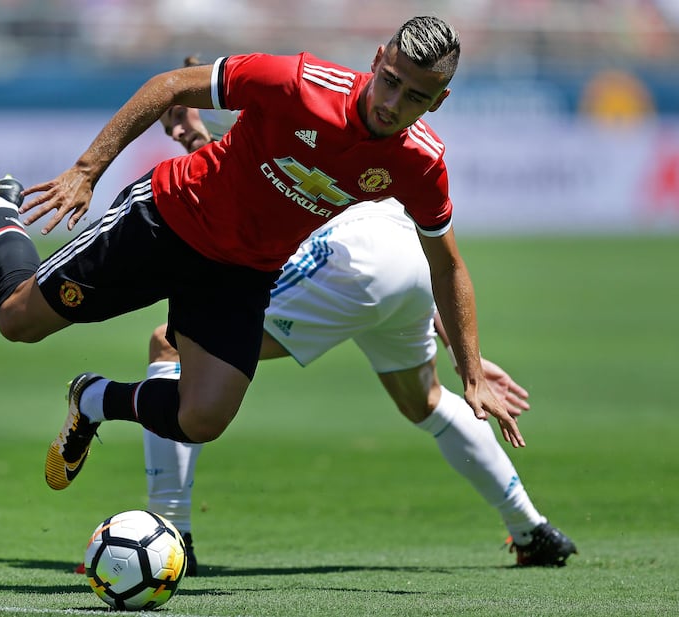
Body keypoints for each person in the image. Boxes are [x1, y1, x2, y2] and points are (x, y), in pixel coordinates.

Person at [0, 17, 525, 513]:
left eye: (415, 97)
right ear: (377, 59)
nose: (393, 103)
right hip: (165, 221)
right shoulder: (297, 81)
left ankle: (92, 399)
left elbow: (445, 267)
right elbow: (169, 86)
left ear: (438, 101)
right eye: (390, 81)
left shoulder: (421, 164)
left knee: (202, 417)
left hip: (242, 274)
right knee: (16, 320)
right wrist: (87, 171)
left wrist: (469, 370)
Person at [141, 95, 576, 574]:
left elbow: (243, 172)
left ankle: (171, 531)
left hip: (349, 255)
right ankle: (532, 529)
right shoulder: (284, 133)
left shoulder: (262, 115)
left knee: (171, 342)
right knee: (424, 400)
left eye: (183, 116)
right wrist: (460, 351)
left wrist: (194, 110)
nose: (181, 132)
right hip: (402, 258)